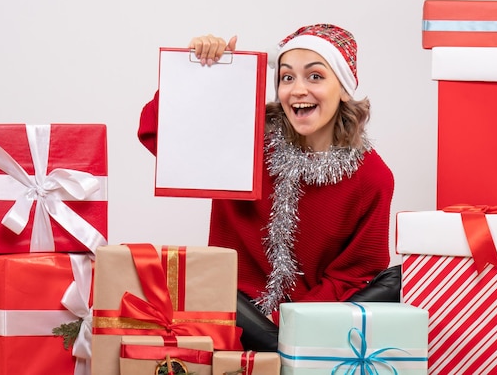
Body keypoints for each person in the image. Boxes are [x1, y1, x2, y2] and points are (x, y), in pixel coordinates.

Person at [138, 24, 401, 351]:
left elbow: (354, 274)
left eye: (315, 77)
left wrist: (290, 325)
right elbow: (157, 132)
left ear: (344, 89)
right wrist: (207, 75)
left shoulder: (371, 177)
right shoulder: (246, 138)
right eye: (287, 77)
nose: (298, 89)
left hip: (307, 334)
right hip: (225, 320)